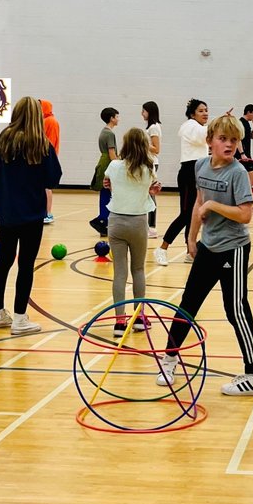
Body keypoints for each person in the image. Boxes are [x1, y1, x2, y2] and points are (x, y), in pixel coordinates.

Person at [155, 114, 253, 397]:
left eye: (234, 140)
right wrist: (191, 238)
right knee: (188, 303)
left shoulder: (238, 173)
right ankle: (170, 359)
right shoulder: (201, 166)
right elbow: (198, 202)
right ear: (210, 142)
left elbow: (245, 215)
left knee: (236, 310)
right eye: (223, 139)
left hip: (234, 249)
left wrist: (215, 206)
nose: (229, 144)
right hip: (208, 246)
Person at [0, 96, 62, 336]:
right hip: (31, 214)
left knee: (4, 261)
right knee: (26, 264)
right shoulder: (40, 144)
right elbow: (53, 178)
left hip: (7, 213)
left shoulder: (1, 143)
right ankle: (20, 318)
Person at [104, 128, 161, 335]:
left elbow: (109, 183)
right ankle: (139, 317)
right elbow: (152, 188)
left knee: (120, 272)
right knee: (138, 269)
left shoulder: (114, 165)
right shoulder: (148, 168)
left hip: (116, 222)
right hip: (138, 222)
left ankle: (119, 321)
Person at [154, 99, 210, 266]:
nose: (205, 113)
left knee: (195, 214)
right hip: (188, 173)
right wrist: (220, 123)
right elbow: (204, 137)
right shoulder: (190, 126)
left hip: (200, 172)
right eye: (201, 110)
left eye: (206, 110)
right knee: (186, 214)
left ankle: (189, 252)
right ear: (192, 114)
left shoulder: (199, 127)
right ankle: (162, 248)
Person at [90, 107, 119, 236]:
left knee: (104, 193)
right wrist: (119, 165)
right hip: (108, 163)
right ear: (112, 118)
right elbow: (112, 153)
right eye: (117, 116)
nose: (118, 119)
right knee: (108, 192)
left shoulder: (103, 132)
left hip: (103, 162)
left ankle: (103, 220)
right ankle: (102, 220)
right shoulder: (110, 134)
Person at [142, 101, 162, 238]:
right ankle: (147, 225)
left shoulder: (154, 128)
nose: (142, 113)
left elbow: (157, 149)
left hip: (152, 163)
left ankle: (152, 227)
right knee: (146, 194)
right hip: (147, 162)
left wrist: (141, 143)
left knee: (150, 194)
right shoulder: (150, 127)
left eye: (143, 111)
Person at [41, 100, 60, 224]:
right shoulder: (45, 120)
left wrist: (46, 157)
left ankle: (47, 213)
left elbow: (50, 142)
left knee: (46, 187)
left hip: (46, 157)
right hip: (44, 157)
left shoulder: (50, 121)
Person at [238, 104, 253, 172]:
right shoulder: (240, 123)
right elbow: (238, 139)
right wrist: (242, 154)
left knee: (251, 175)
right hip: (242, 155)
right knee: (251, 174)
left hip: (247, 154)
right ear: (248, 112)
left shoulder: (247, 123)